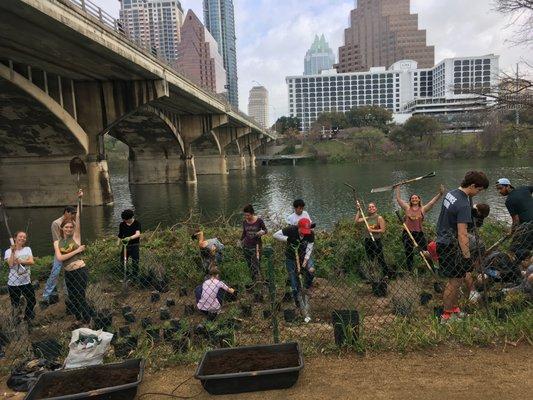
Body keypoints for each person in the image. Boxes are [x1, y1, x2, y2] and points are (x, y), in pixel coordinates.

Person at [435, 171, 489, 323]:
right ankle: (446, 316)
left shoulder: (452, 193)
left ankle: (454, 310)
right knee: (454, 282)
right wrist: (466, 256)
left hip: (442, 238)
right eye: (478, 190)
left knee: (457, 281)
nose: (478, 193)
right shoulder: (464, 203)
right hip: (451, 245)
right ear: (472, 185)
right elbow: (462, 234)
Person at [54, 193, 91, 324]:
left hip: (80, 270)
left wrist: (79, 199)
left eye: (71, 227)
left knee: (80, 296)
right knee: (73, 297)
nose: (69, 228)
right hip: (68, 272)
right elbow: (59, 258)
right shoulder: (57, 242)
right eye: (67, 227)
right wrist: (78, 250)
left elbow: (79, 218)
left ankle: (86, 319)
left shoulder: (76, 238)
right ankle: (78, 318)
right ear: (62, 228)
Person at [395, 185, 444, 270]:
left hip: (419, 233)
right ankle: (410, 270)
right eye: (412, 198)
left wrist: (440, 194)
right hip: (407, 233)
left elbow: (432, 202)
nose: (414, 199)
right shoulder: (407, 208)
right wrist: (398, 187)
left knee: (425, 252)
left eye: (416, 198)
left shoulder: (423, 209)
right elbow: (398, 199)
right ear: (410, 200)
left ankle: (432, 268)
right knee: (409, 252)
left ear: (419, 199)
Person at [273, 218, 315, 314]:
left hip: (305, 255)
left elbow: (309, 248)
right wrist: (288, 239)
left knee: (311, 270)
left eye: (306, 232)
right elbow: (275, 235)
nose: (304, 234)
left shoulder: (310, 234)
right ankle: (298, 304)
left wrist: (304, 262)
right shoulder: (291, 229)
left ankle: (306, 288)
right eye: (302, 231)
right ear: (298, 227)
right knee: (294, 283)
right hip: (291, 257)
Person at [41, 203, 78, 307]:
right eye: (72, 214)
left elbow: (74, 237)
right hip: (60, 251)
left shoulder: (73, 222)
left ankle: (68, 295)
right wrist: (62, 252)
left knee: (69, 273)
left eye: (75, 214)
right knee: (55, 273)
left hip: (71, 251)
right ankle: (46, 295)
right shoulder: (56, 223)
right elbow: (56, 239)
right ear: (66, 213)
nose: (73, 216)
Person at [4, 231, 35, 322]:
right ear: (15, 238)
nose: (22, 238)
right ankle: (16, 320)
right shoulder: (8, 251)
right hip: (14, 283)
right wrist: (13, 252)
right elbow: (10, 264)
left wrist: (20, 261)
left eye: (24, 237)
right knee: (15, 304)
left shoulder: (27, 249)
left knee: (32, 301)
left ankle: (27, 317)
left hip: (26, 281)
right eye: (20, 236)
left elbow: (31, 262)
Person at [495, 178, 533, 253]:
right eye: (498, 189)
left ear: (508, 186)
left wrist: (511, 232)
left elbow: (516, 221)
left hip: (528, 227)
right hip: (528, 226)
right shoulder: (524, 188)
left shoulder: (509, 201)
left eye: (500, 188)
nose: (499, 191)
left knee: (514, 250)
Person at [355, 202, 389, 277]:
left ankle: (385, 274)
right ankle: (373, 274)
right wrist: (358, 210)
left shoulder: (379, 218)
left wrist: (372, 230)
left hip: (376, 240)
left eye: (373, 207)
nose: (371, 208)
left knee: (380, 258)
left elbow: (383, 230)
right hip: (368, 240)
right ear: (368, 209)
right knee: (370, 258)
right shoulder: (367, 218)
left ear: (376, 208)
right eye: (369, 207)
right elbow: (356, 221)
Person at [240, 204, 267, 282]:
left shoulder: (259, 220)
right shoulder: (244, 222)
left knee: (256, 264)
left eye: (248, 215)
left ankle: (259, 281)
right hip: (246, 246)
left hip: (257, 246)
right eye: (245, 215)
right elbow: (244, 233)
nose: (246, 217)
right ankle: (253, 281)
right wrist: (240, 241)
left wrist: (262, 232)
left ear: (252, 214)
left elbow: (265, 230)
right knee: (250, 265)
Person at [117, 209, 141, 282]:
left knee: (135, 261)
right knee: (123, 261)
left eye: (126, 220)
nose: (125, 221)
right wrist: (118, 243)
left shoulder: (137, 223)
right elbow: (120, 235)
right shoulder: (122, 224)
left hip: (134, 245)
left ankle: (135, 277)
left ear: (130, 218)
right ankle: (126, 276)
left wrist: (129, 238)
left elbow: (138, 234)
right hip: (125, 246)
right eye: (124, 220)